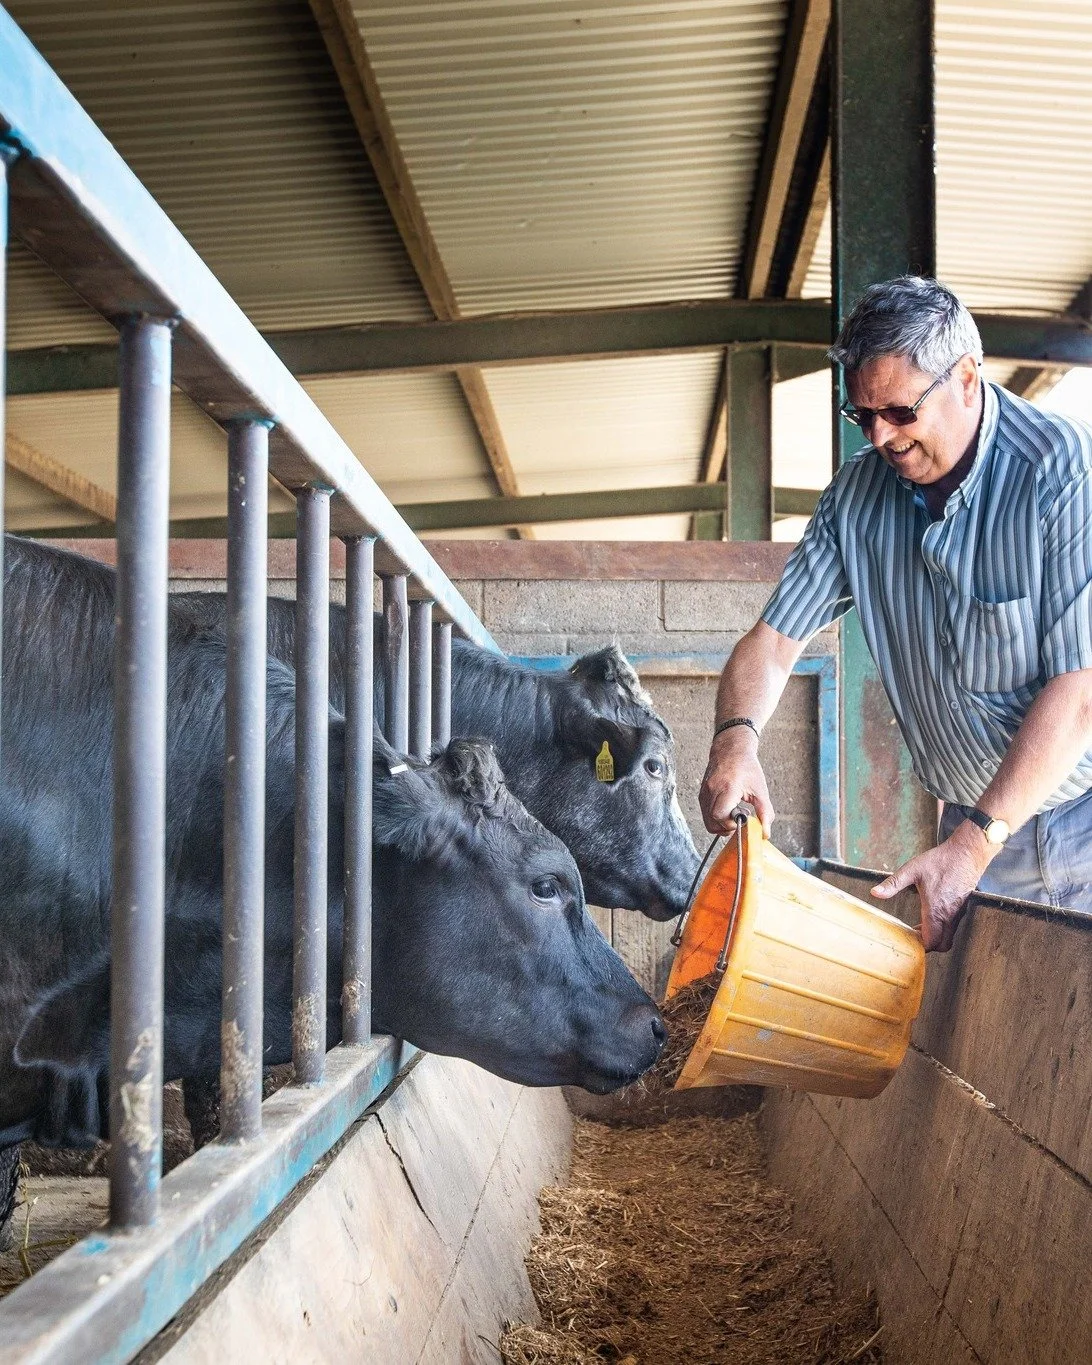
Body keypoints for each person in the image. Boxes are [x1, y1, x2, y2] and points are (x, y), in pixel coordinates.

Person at [699, 275, 1092, 951]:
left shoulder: (1060, 470)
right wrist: (736, 739)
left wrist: (976, 844)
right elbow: (772, 641)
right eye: (863, 415)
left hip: (1076, 821)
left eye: (901, 411)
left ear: (965, 378)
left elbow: (1080, 690)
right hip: (969, 824)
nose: (881, 436)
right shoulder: (857, 495)